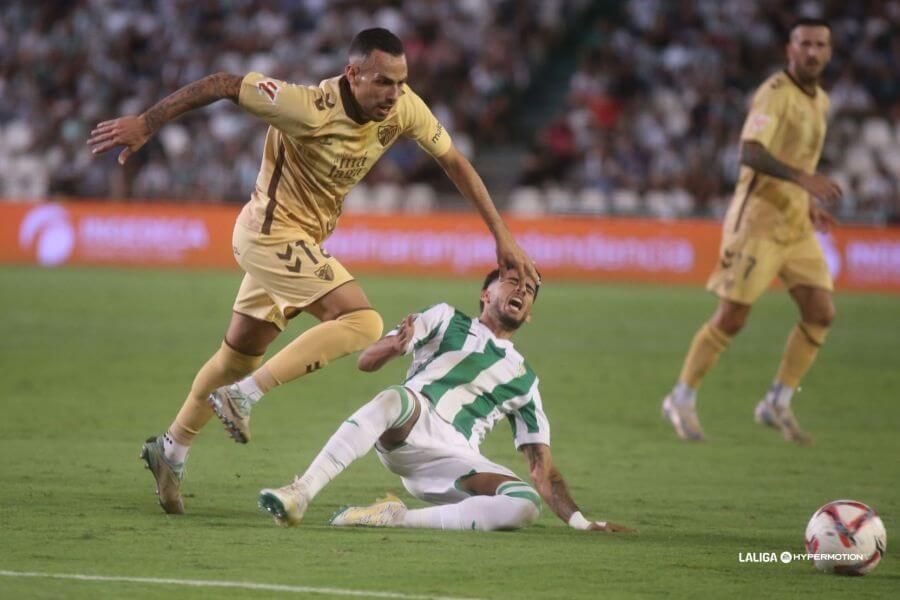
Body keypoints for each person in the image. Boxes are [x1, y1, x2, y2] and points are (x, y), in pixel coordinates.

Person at [87, 28, 538, 515]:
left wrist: (501, 235)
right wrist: (147, 123)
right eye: (383, 82)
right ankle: (244, 397)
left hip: (300, 242)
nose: (394, 94)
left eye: (401, 82)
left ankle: (171, 450)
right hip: (269, 234)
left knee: (238, 356)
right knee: (362, 321)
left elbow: (453, 161)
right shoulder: (306, 107)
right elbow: (222, 83)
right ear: (353, 74)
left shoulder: (404, 108)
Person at [256, 269, 632, 533]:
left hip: (455, 457)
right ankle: (301, 492)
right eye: (512, 280)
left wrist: (582, 522)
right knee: (393, 397)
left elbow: (541, 469)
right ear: (486, 294)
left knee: (524, 504)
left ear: (529, 313)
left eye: (530, 289)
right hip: (412, 420)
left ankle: (397, 518)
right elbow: (366, 361)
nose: (521, 290)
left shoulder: (525, 380)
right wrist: (394, 346)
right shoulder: (445, 318)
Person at [661, 18, 841, 445]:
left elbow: (799, 157)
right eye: (804, 44)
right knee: (733, 317)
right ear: (790, 49)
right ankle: (681, 397)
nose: (812, 52)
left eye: (820, 45)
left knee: (821, 312)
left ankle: (777, 401)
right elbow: (750, 151)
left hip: (796, 225)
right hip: (757, 224)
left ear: (829, 52)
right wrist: (802, 179)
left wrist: (808, 201)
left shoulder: (822, 101)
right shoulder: (774, 94)